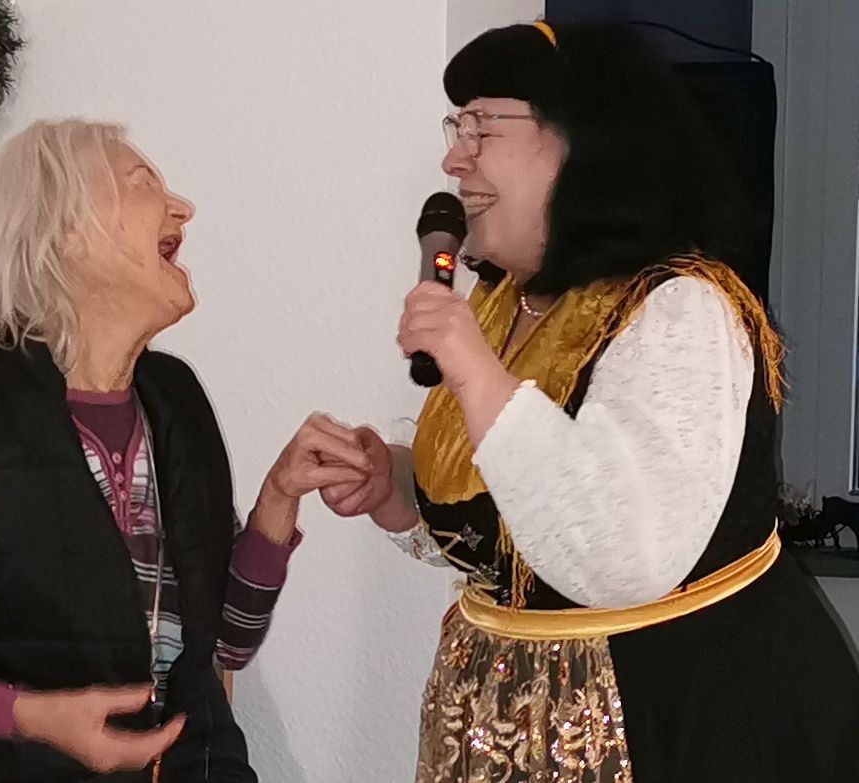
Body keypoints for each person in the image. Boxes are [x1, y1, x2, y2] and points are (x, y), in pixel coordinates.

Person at [321, 22, 859, 783]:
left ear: (586, 144)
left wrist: (476, 375)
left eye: (482, 126)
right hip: (508, 723)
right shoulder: (503, 306)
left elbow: (623, 553)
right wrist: (398, 485)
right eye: (456, 126)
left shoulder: (680, 309)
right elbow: (517, 513)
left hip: (679, 717)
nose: (453, 159)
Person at [0, 119, 373, 782]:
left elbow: (226, 641)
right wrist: (31, 716)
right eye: (141, 184)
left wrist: (278, 500)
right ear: (64, 232)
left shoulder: (176, 399)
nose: (182, 208)